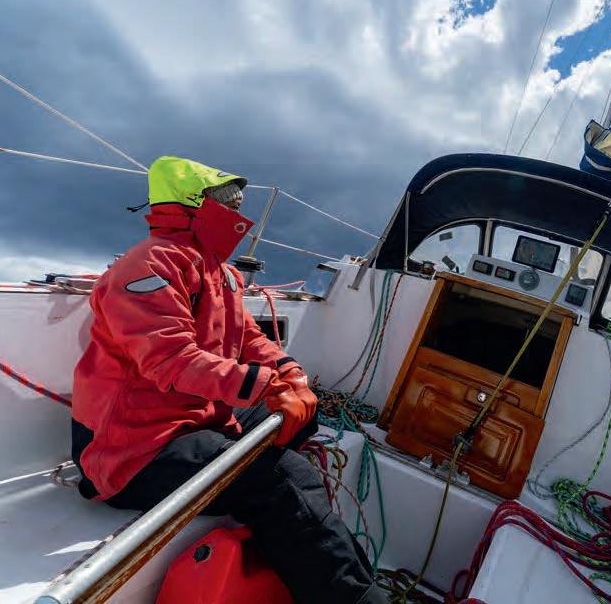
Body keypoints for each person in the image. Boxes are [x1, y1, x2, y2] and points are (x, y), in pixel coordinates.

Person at [71, 156, 386, 603]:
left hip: (195, 418)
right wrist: (267, 386)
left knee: (303, 427)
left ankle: (342, 575)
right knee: (279, 478)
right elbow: (171, 360)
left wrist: (289, 373)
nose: (238, 208)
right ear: (193, 205)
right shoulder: (149, 266)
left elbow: (249, 338)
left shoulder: (220, 272)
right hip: (131, 446)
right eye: (227, 201)